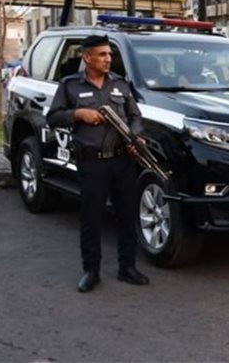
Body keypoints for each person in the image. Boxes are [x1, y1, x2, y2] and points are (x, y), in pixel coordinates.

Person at [46, 34, 151, 293]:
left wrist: (134, 136)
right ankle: (91, 271)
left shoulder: (120, 84)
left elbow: (135, 116)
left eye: (109, 54)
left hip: (122, 160)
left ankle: (127, 267)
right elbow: (53, 117)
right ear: (87, 57)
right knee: (91, 217)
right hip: (92, 162)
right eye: (102, 55)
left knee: (126, 215)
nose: (108, 59)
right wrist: (78, 114)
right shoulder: (70, 85)